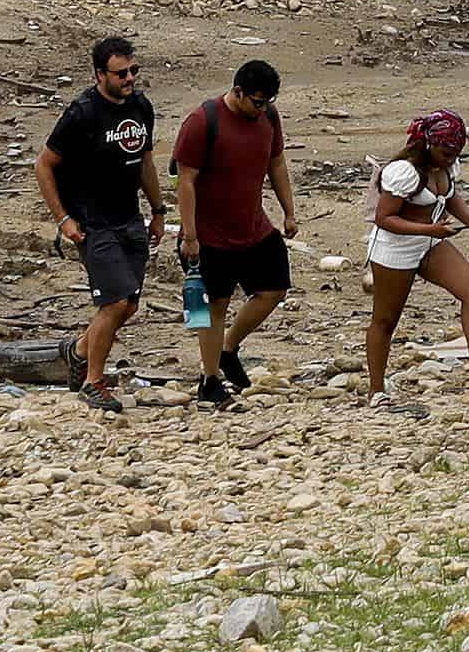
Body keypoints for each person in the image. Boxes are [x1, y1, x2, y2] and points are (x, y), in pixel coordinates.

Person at [38, 33, 166, 405]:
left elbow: (145, 161)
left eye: (133, 71)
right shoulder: (83, 113)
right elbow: (44, 165)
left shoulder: (141, 107)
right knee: (113, 302)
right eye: (121, 73)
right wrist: (62, 218)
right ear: (100, 74)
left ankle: (78, 350)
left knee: (129, 304)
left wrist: (157, 211)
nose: (129, 79)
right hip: (93, 222)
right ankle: (94, 381)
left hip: (129, 217)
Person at [168, 59, 301, 410]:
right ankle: (209, 380)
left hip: (254, 228)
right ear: (238, 91)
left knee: (274, 289)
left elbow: (277, 163)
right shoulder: (202, 122)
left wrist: (289, 211)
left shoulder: (268, 118)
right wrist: (190, 235)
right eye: (257, 102)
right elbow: (186, 182)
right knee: (212, 305)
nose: (262, 109)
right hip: (208, 235)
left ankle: (229, 349)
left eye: (268, 102)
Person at [360, 112, 469, 396]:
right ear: (427, 144)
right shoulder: (405, 172)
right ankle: (376, 391)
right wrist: (428, 230)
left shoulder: (446, 167)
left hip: (430, 243)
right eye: (446, 153)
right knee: (386, 320)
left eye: (455, 154)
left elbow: (450, 198)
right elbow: (384, 218)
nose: (450, 159)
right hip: (395, 248)